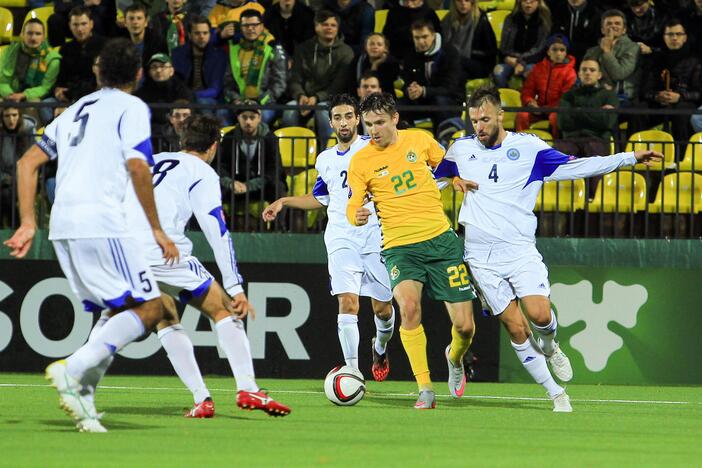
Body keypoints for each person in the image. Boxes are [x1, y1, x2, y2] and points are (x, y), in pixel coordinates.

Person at [436, 86, 662, 412]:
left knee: (540, 315)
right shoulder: (461, 149)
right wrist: (449, 181)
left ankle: (550, 344)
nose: (479, 127)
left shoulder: (528, 148)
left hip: (519, 249)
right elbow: (431, 180)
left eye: (484, 119)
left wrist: (628, 158)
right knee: (515, 327)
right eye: (473, 121)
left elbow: (578, 167)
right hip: (479, 254)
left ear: (501, 115)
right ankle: (556, 393)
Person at [3, 38, 179, 433]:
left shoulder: (76, 108)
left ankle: (83, 399)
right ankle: (73, 369)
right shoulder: (133, 107)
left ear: (99, 72)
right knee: (154, 308)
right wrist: (155, 227)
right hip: (102, 221)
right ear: (137, 74)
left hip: (63, 225)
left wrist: (29, 221)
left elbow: (28, 163)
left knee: (117, 312)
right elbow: (138, 166)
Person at [121, 114, 291, 418]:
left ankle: (202, 399)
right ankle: (248, 387)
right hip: (165, 252)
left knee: (165, 317)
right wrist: (235, 286)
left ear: (182, 140)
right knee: (224, 309)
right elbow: (217, 232)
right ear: (214, 146)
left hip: (128, 251)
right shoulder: (201, 172)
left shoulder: (153, 160)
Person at [346, 92, 478, 409]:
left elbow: (446, 165)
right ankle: (425, 388)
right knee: (408, 308)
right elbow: (352, 204)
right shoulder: (361, 160)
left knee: (464, 327)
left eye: (379, 122)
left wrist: (456, 177)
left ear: (394, 119)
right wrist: (357, 214)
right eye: (368, 124)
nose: (374, 130)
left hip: (441, 241)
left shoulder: (420, 140)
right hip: (399, 246)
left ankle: (454, 357)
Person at [263, 94, 396, 381]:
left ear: (357, 118)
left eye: (348, 116)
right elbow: (320, 197)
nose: (343, 122)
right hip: (340, 237)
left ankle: (380, 346)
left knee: (383, 309)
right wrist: (284, 201)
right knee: (348, 303)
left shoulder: (375, 148)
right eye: (337, 117)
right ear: (330, 122)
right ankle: (353, 371)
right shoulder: (324, 159)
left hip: (375, 236)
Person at [282, 10, 354, 148]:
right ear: (316, 27)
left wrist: (316, 98)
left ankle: (327, 154)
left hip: (331, 100)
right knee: (290, 109)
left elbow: (338, 85)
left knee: (323, 111)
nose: (329, 28)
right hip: (305, 98)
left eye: (333, 25)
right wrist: (300, 95)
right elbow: (295, 77)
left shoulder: (346, 52)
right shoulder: (303, 49)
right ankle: (292, 158)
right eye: (325, 24)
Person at [637, 19, 701, 146]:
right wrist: (657, 96)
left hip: (684, 103)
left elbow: (699, 92)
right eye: (670, 34)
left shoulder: (695, 61)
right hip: (658, 103)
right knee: (637, 110)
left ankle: (680, 159)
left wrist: (680, 97)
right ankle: (634, 155)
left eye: (678, 34)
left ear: (685, 37)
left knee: (679, 112)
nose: (674, 38)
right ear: (664, 37)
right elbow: (645, 89)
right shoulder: (654, 59)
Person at [218, 101, 287, 210]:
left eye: (252, 117)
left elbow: (275, 170)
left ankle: (279, 227)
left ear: (259, 118)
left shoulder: (270, 138)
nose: (248, 122)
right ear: (238, 118)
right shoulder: (228, 138)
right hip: (236, 185)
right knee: (215, 187)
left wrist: (250, 185)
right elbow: (220, 166)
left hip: (261, 186)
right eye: (244, 117)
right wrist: (230, 183)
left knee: (278, 187)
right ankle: (219, 225)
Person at [222, 9, 287, 125]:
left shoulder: (273, 48)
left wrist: (259, 101)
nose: (250, 28)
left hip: (265, 104)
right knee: (221, 115)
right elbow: (227, 83)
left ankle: (259, 144)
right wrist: (235, 100)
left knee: (260, 120)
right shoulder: (233, 49)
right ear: (241, 27)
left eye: (254, 25)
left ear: (261, 26)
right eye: (246, 25)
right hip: (239, 102)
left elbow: (279, 83)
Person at [400, 18, 463, 136]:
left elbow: (450, 88)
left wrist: (424, 91)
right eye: (417, 38)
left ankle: (445, 138)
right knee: (399, 104)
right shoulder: (410, 55)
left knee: (439, 101)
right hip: (422, 101)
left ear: (433, 35)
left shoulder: (450, 52)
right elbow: (406, 82)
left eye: (424, 37)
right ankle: (405, 139)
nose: (421, 41)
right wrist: (410, 90)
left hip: (449, 101)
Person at [0, 19, 61, 123]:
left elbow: (45, 88)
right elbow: (3, 79)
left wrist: (24, 95)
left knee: (32, 105)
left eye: (38, 34)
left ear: (43, 36)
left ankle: (32, 137)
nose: (33, 38)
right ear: (22, 34)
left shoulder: (52, 59)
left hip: (33, 97)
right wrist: (10, 95)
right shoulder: (10, 51)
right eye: (29, 33)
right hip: (10, 94)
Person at [556, 59, 619, 159]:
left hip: (598, 140)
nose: (587, 73)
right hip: (570, 140)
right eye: (584, 70)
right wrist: (597, 112)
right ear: (579, 74)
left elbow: (607, 122)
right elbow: (562, 123)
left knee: (594, 151)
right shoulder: (568, 96)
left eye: (592, 70)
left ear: (599, 75)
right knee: (559, 153)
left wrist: (576, 111)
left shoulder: (609, 96)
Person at [516, 33, 576, 135]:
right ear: (548, 51)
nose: (558, 53)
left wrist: (545, 109)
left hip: (556, 110)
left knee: (555, 118)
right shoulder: (538, 68)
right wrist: (530, 102)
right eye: (554, 49)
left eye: (562, 50)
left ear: (566, 53)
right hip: (538, 109)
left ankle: (557, 146)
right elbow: (527, 90)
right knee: (522, 115)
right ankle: (521, 145)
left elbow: (565, 99)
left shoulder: (570, 73)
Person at [172, 16, 227, 115]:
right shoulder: (178, 54)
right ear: (189, 35)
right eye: (197, 33)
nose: (202, 37)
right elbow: (176, 83)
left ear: (210, 34)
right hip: (183, 98)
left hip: (209, 99)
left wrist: (192, 96)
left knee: (202, 102)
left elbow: (215, 89)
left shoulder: (219, 55)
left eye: (205, 33)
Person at [583, 9, 640, 106]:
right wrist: (600, 87)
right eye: (609, 24)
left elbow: (620, 73)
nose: (613, 26)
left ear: (624, 29)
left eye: (617, 23)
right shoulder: (591, 51)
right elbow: (585, 75)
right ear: (602, 29)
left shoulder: (633, 48)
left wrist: (607, 51)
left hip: (623, 99)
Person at [53, 7, 106, 104]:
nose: (79, 29)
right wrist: (58, 90)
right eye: (75, 25)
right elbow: (61, 77)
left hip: (95, 95)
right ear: (70, 26)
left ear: (91, 24)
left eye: (83, 24)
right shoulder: (65, 49)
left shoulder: (105, 46)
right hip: (67, 96)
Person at [493, 0, 551, 88]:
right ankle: (505, 98)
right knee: (498, 72)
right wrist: (510, 59)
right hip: (511, 60)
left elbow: (540, 49)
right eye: (525, 0)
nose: (528, 3)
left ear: (539, 2)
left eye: (532, 1)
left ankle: (527, 100)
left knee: (530, 72)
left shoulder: (544, 21)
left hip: (532, 61)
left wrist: (521, 62)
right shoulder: (510, 19)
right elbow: (504, 46)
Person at [441, 0, 498, 82]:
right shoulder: (448, 19)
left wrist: (472, 53)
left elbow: (491, 52)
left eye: (467, 0)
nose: (463, 3)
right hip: (456, 63)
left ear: (472, 2)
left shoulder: (481, 20)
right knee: (456, 71)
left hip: (479, 63)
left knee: (456, 61)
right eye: (459, 1)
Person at [136, 53, 194, 129]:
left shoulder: (182, 91)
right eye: (154, 67)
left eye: (162, 66)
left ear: (171, 71)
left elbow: (186, 117)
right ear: (149, 72)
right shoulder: (141, 93)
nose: (158, 70)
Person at [0, 108, 37, 227]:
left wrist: (17, 178)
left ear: (20, 115)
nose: (11, 120)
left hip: (25, 179)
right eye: (7, 116)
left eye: (14, 115)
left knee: (6, 195)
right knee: (5, 193)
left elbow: (33, 160)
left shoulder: (29, 132)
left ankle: (15, 229)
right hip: (4, 180)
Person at [549, 0, 602, 65]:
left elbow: (595, 45)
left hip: (586, 60)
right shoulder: (558, 10)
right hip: (561, 58)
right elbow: (554, 36)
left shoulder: (596, 14)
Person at [352, 33, 400, 99]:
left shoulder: (392, 64)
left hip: (386, 99)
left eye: (379, 44)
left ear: (385, 48)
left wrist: (375, 66)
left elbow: (383, 89)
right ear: (366, 47)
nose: (375, 47)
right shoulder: (358, 61)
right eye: (372, 44)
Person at [124, 3, 168, 68]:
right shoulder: (119, 46)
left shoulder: (159, 43)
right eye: (131, 18)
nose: (135, 22)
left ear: (146, 22)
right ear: (125, 23)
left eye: (139, 18)